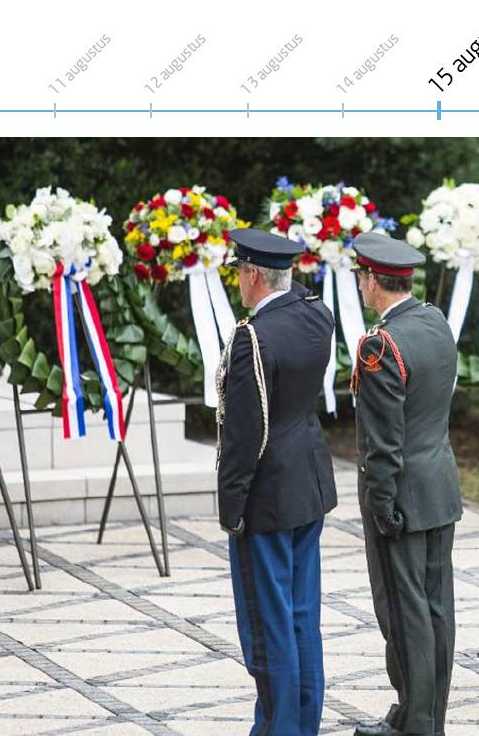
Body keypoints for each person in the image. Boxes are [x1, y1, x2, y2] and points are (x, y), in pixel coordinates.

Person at [217, 228, 338, 736]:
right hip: (308, 481)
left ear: (252, 275)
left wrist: (232, 506)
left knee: (268, 626)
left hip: (266, 493)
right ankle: (303, 723)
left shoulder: (253, 336)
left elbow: (245, 431)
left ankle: (278, 728)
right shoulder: (316, 314)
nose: (238, 282)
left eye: (239, 273)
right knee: (301, 615)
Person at [351, 232, 462, 736]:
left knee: (403, 612)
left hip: (402, 496)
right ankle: (425, 713)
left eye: (361, 276)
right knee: (435, 608)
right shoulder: (434, 321)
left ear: (373, 281)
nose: (360, 284)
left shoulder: (381, 344)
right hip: (438, 485)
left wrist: (380, 503)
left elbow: (383, 441)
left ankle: (416, 720)